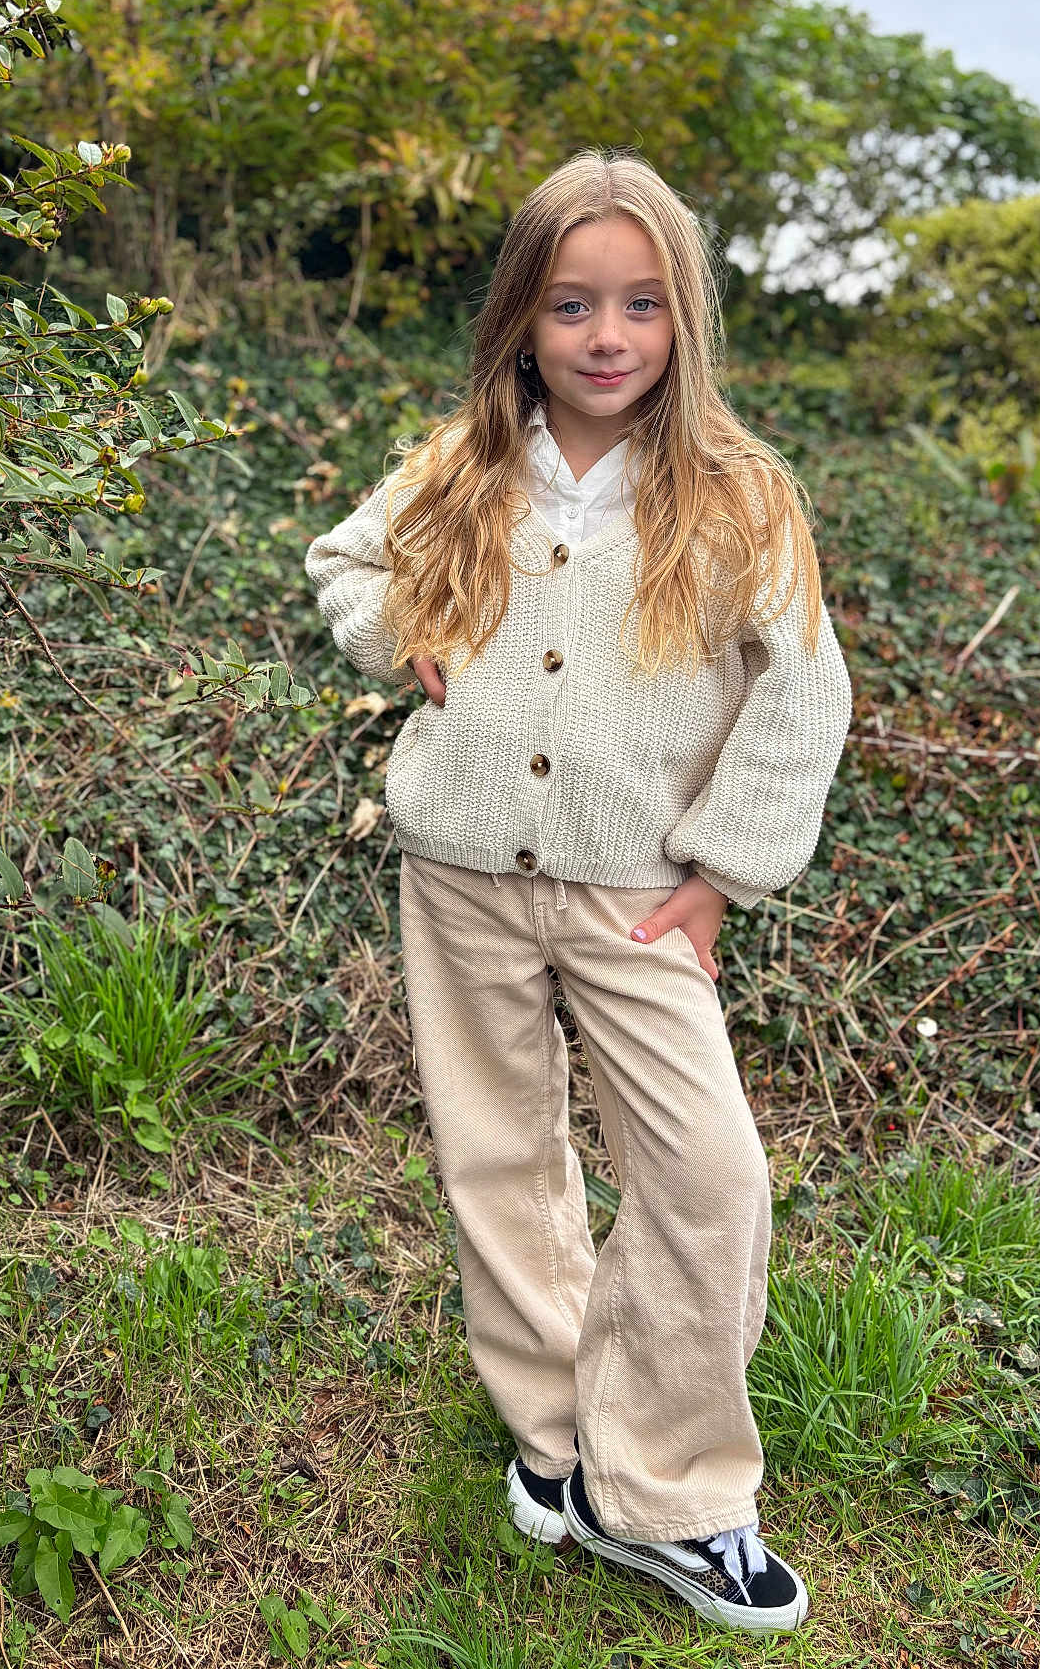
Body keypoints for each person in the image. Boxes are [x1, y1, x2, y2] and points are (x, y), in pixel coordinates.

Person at [303, 148, 853, 1635]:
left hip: (638, 894)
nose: (606, 338)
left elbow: (803, 698)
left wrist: (725, 877)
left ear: (682, 323)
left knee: (708, 1174)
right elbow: (343, 563)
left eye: (640, 306)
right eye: (570, 305)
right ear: (522, 321)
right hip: (461, 873)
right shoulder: (462, 460)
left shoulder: (738, 496)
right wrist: (403, 627)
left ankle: (671, 1489)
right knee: (501, 1158)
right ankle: (560, 1448)